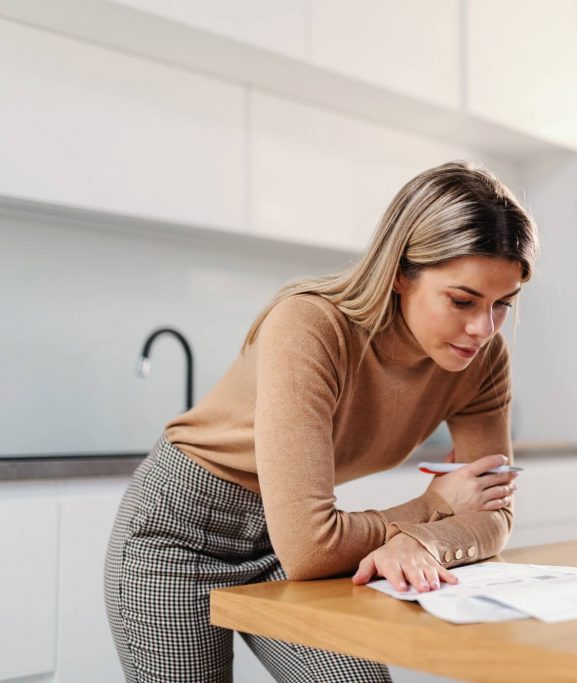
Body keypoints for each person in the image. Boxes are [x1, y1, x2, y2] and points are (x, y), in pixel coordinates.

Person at [104, 160, 537, 683]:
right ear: (401, 271)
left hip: (288, 539)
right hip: (177, 535)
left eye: (501, 306)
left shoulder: (484, 361)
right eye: (463, 300)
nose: (481, 329)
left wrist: (423, 540)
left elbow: (493, 512)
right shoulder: (310, 325)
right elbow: (311, 546)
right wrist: (432, 508)